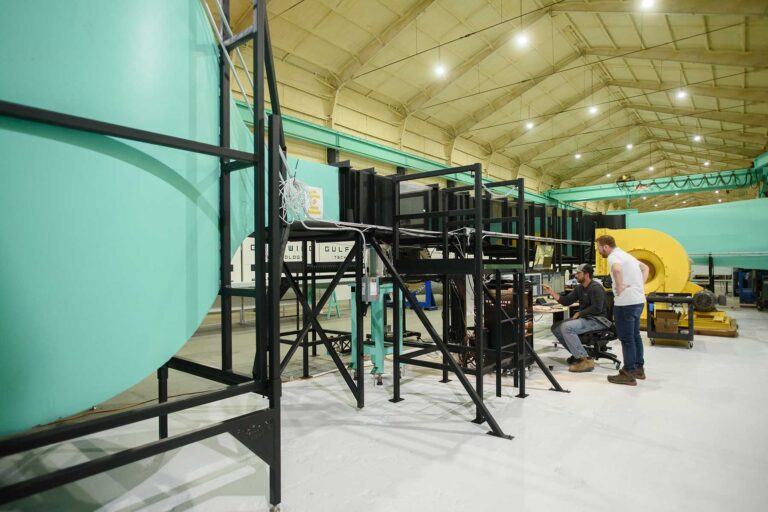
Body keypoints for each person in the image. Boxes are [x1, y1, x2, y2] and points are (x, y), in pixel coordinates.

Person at [595, 234, 650, 386]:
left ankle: (628, 373)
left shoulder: (614, 257)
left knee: (627, 339)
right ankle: (639, 369)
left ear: (606, 246)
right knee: (635, 336)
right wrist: (639, 285)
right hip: (638, 301)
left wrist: (619, 286)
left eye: (599, 248)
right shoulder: (627, 256)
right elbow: (646, 268)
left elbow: (617, 270)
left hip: (625, 303)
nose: (599, 251)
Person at [543, 263, 610, 373]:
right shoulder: (580, 288)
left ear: (587, 275)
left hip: (598, 320)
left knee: (566, 327)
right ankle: (578, 354)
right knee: (556, 327)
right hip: (587, 318)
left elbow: (597, 308)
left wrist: (580, 313)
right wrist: (551, 292)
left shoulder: (595, 288)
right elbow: (566, 301)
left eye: (579, 273)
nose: (576, 275)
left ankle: (584, 360)